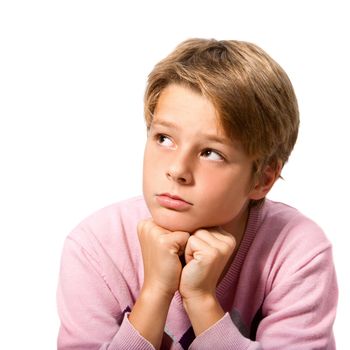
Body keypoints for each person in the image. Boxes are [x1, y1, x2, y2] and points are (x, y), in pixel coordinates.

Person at [57, 38, 338, 349]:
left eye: (211, 153)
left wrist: (202, 302)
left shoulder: (296, 251)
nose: (177, 169)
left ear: (263, 178)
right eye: (164, 138)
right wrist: (154, 294)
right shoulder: (95, 248)